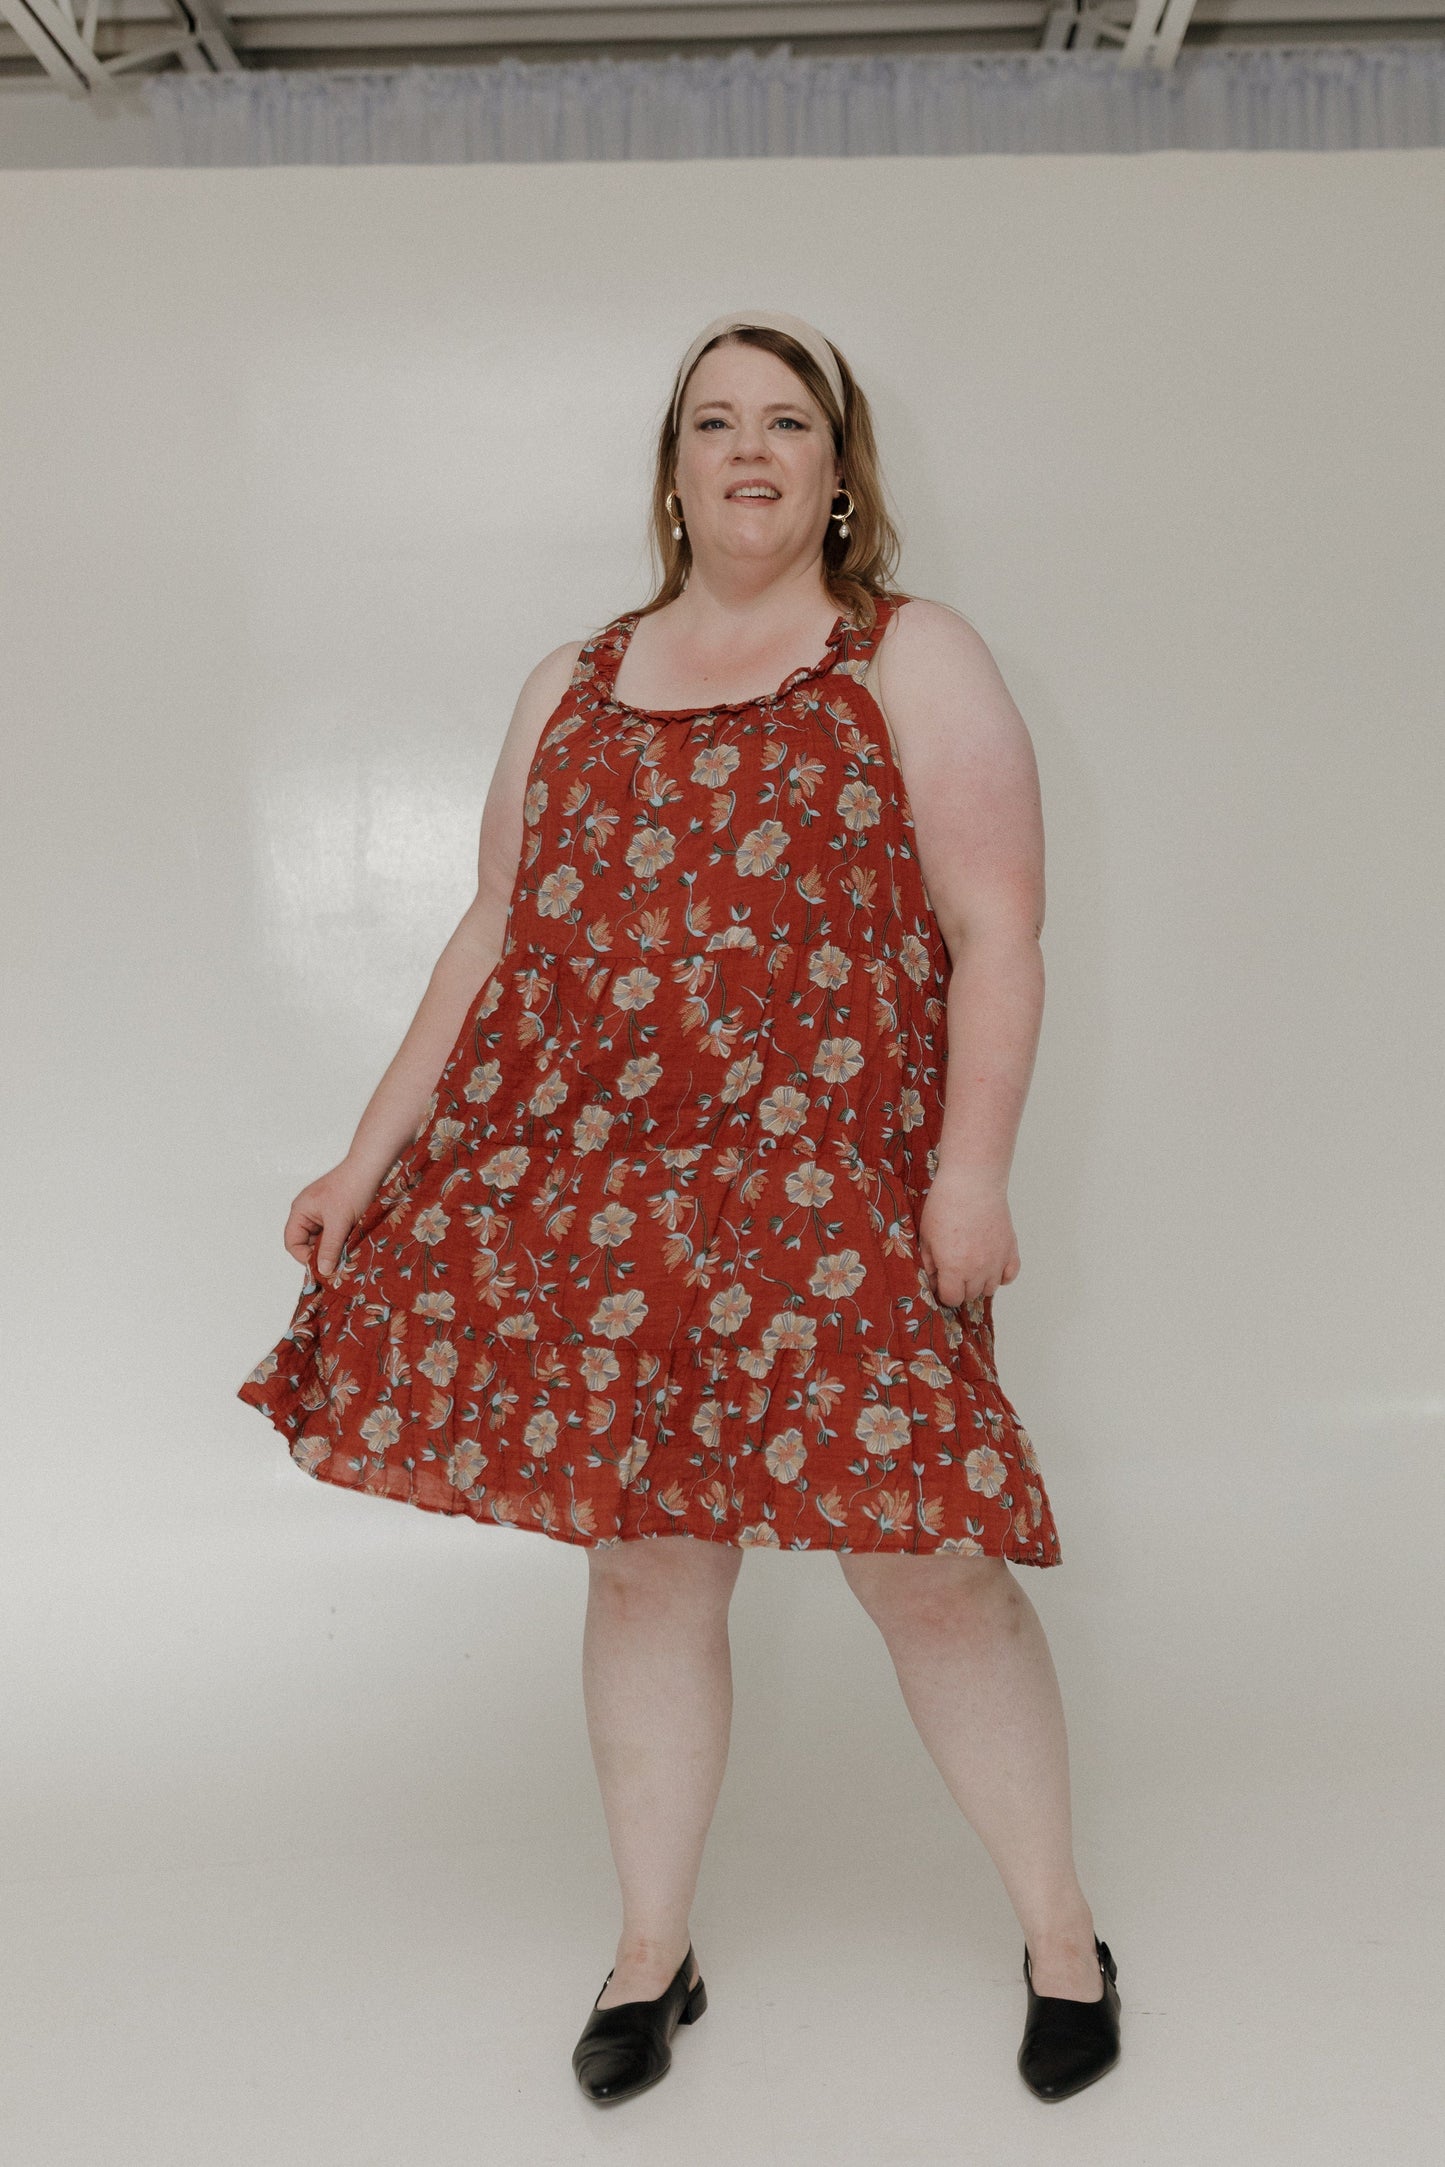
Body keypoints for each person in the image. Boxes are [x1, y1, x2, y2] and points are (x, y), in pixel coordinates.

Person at [237, 309, 1122, 2109]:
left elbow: (997, 931)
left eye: (785, 422)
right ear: (669, 463)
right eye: (713, 421)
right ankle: (653, 1953)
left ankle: (1059, 1935)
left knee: (926, 1569)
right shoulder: (571, 679)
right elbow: (491, 935)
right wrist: (363, 1157)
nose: (747, 450)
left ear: (835, 465)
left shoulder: (908, 657)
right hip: (600, 1196)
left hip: (834, 1201)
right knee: (647, 1563)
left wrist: (970, 1171)